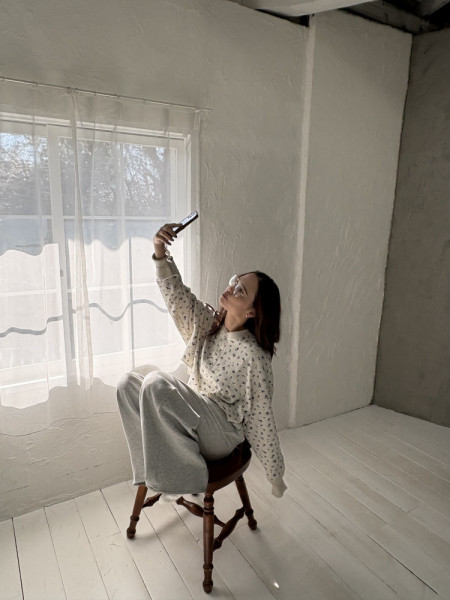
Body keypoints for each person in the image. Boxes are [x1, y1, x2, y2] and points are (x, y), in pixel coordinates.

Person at [117, 222, 287, 502]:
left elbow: (261, 415)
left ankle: (180, 478)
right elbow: (177, 296)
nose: (231, 288)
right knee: (127, 384)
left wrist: (275, 475)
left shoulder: (254, 356)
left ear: (253, 312)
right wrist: (159, 250)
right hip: (194, 417)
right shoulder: (208, 325)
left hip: (221, 432)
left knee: (157, 382)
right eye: (235, 281)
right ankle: (155, 473)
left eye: (241, 291)